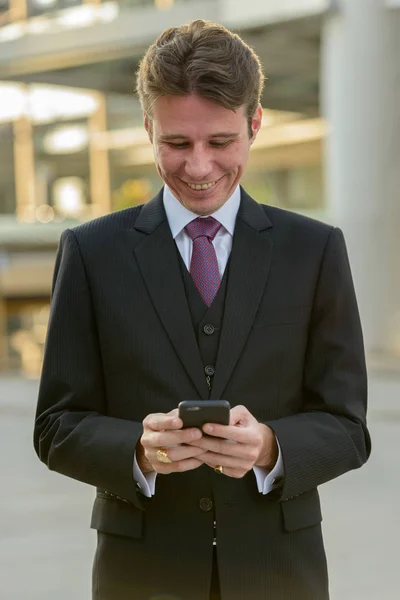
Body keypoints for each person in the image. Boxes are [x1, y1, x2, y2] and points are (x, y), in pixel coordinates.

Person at [33, 19, 371, 600]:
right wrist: (137, 451)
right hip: (140, 573)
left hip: (279, 570)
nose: (198, 167)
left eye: (219, 142)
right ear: (148, 127)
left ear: (254, 123)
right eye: (176, 143)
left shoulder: (314, 250)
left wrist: (270, 447)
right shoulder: (91, 252)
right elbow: (55, 425)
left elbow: (348, 425)